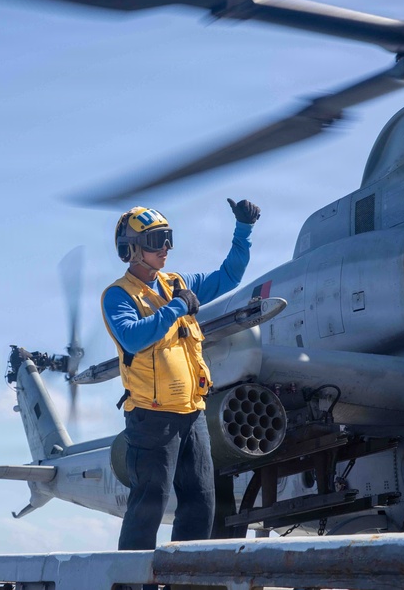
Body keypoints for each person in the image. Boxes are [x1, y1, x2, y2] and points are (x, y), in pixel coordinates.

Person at [102, 198, 260, 550]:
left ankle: (184, 580)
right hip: (151, 417)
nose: (167, 249)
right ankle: (131, 583)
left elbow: (229, 277)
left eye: (169, 238)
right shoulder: (118, 296)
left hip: (192, 412)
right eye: (158, 241)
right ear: (132, 249)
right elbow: (134, 336)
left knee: (201, 501)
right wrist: (177, 307)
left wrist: (243, 231)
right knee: (150, 504)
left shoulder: (176, 282)